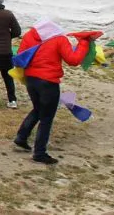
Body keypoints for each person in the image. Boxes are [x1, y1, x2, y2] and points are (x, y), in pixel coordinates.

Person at [13, 20, 99, 165]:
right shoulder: (59, 39)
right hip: (48, 82)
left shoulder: (29, 36)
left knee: (38, 109)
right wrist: (83, 43)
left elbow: (22, 55)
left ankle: (21, 137)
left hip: (31, 79)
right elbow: (73, 60)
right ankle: (39, 153)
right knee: (46, 118)